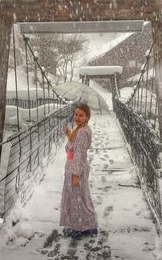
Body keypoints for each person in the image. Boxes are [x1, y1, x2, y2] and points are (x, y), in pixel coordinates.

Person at [60, 103, 98, 240]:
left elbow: (79, 154)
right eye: (76, 114)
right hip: (76, 166)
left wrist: (76, 174)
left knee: (76, 199)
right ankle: (89, 226)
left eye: (81, 115)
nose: (77, 117)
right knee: (82, 197)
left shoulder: (82, 132)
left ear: (87, 117)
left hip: (77, 168)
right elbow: (73, 148)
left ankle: (77, 229)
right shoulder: (80, 129)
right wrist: (70, 135)